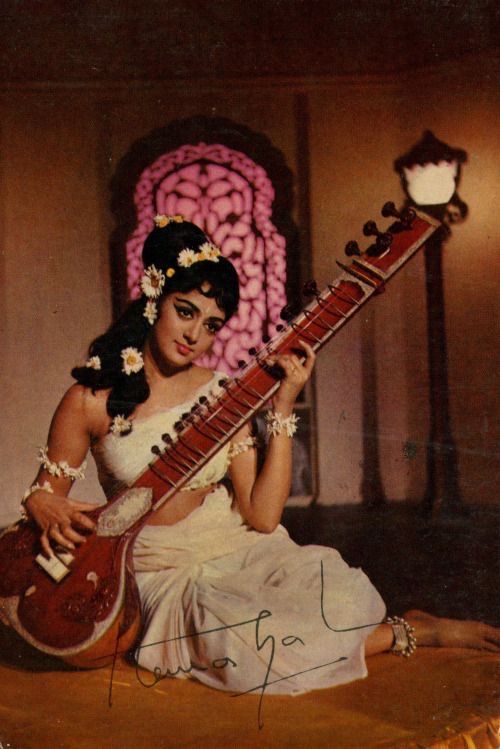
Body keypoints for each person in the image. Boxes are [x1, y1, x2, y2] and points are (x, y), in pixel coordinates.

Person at [22, 216, 500, 695]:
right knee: (244, 644)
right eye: (184, 311)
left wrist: (282, 406)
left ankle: (405, 628)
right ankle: (400, 634)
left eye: (210, 326)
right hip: (159, 568)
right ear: (153, 301)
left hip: (235, 547)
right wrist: (42, 503)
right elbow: (47, 492)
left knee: (330, 601)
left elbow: (263, 515)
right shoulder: (90, 399)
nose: (194, 336)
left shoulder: (221, 395)